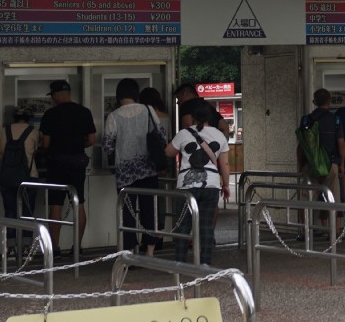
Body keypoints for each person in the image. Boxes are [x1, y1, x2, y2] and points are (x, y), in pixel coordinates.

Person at [103, 78, 164, 253]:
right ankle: (150, 251)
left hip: (125, 173)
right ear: (136, 93)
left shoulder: (113, 116)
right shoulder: (148, 110)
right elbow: (161, 133)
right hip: (148, 169)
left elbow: (107, 145)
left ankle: (130, 251)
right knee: (149, 210)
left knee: (127, 213)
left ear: (118, 95)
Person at [167, 100, 230, 266]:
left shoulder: (184, 133)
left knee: (183, 226)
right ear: (210, 117)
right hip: (211, 185)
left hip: (187, 187)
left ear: (192, 117)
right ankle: (205, 263)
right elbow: (224, 164)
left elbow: (168, 152)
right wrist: (226, 185)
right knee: (206, 226)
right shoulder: (219, 135)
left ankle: (179, 263)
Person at [37, 80, 96, 254]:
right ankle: (77, 247)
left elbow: (46, 143)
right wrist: (78, 146)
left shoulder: (50, 114)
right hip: (77, 162)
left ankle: (54, 248)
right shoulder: (84, 112)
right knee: (79, 203)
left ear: (55, 94)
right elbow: (91, 140)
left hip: (57, 163)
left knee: (56, 205)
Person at [0, 109, 39, 254]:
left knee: (10, 211)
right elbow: (36, 152)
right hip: (29, 177)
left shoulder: (4, 130)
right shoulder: (33, 131)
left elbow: (0, 155)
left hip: (8, 178)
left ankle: (10, 247)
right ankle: (26, 247)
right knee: (27, 211)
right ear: (28, 118)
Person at [297, 89, 343, 202]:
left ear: (314, 102)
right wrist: (342, 164)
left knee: (306, 200)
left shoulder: (306, 120)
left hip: (310, 163)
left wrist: (300, 165)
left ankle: (305, 220)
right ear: (329, 101)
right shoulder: (336, 120)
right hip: (331, 165)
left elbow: (301, 146)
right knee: (332, 200)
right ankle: (331, 219)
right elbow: (342, 144)